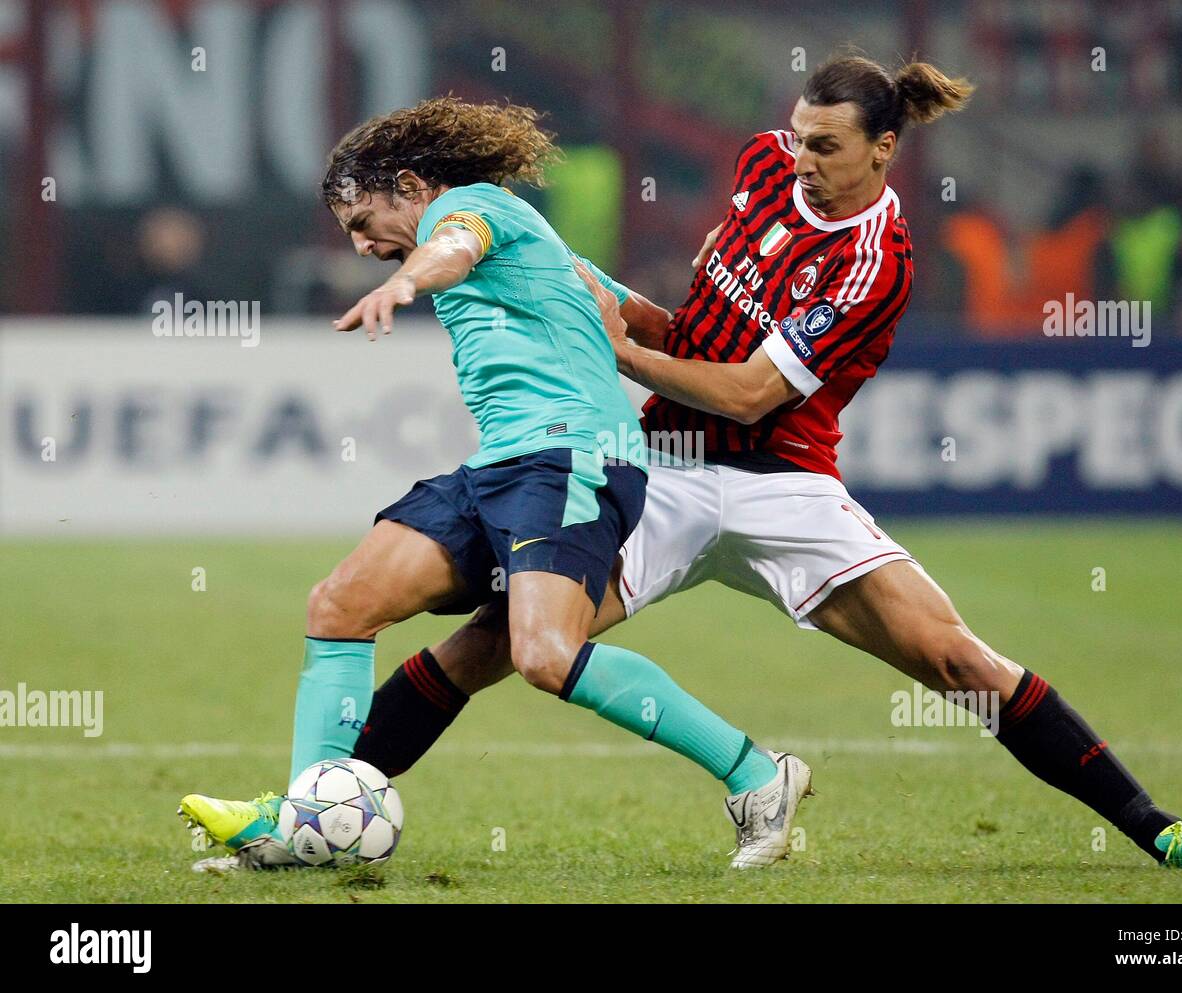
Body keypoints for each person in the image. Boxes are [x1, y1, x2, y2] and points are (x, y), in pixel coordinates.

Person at [178, 96, 812, 872]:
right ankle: (307, 818)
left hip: (575, 457)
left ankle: (757, 776)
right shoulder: (529, 239)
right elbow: (633, 310)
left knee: (545, 655)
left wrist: (410, 282)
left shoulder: (469, 210)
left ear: (411, 185)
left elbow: (451, 246)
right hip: (501, 468)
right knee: (338, 604)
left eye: (362, 219)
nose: (361, 244)